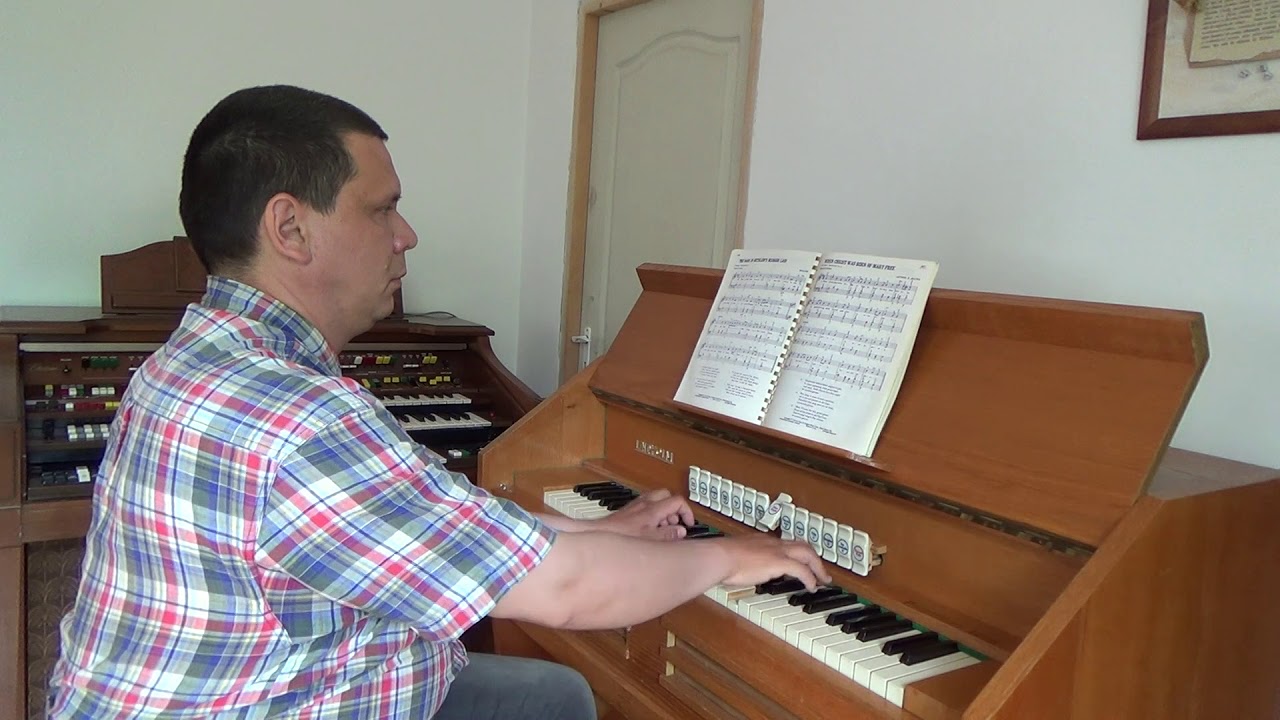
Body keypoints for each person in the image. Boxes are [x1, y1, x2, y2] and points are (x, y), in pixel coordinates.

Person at [48, 84, 829, 720]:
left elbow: (427, 517)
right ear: (289, 227)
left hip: (255, 686)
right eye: (381, 208)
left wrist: (600, 526)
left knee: (551, 696)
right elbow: (564, 589)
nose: (407, 234)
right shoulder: (296, 416)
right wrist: (728, 554)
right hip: (273, 701)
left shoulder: (201, 356)